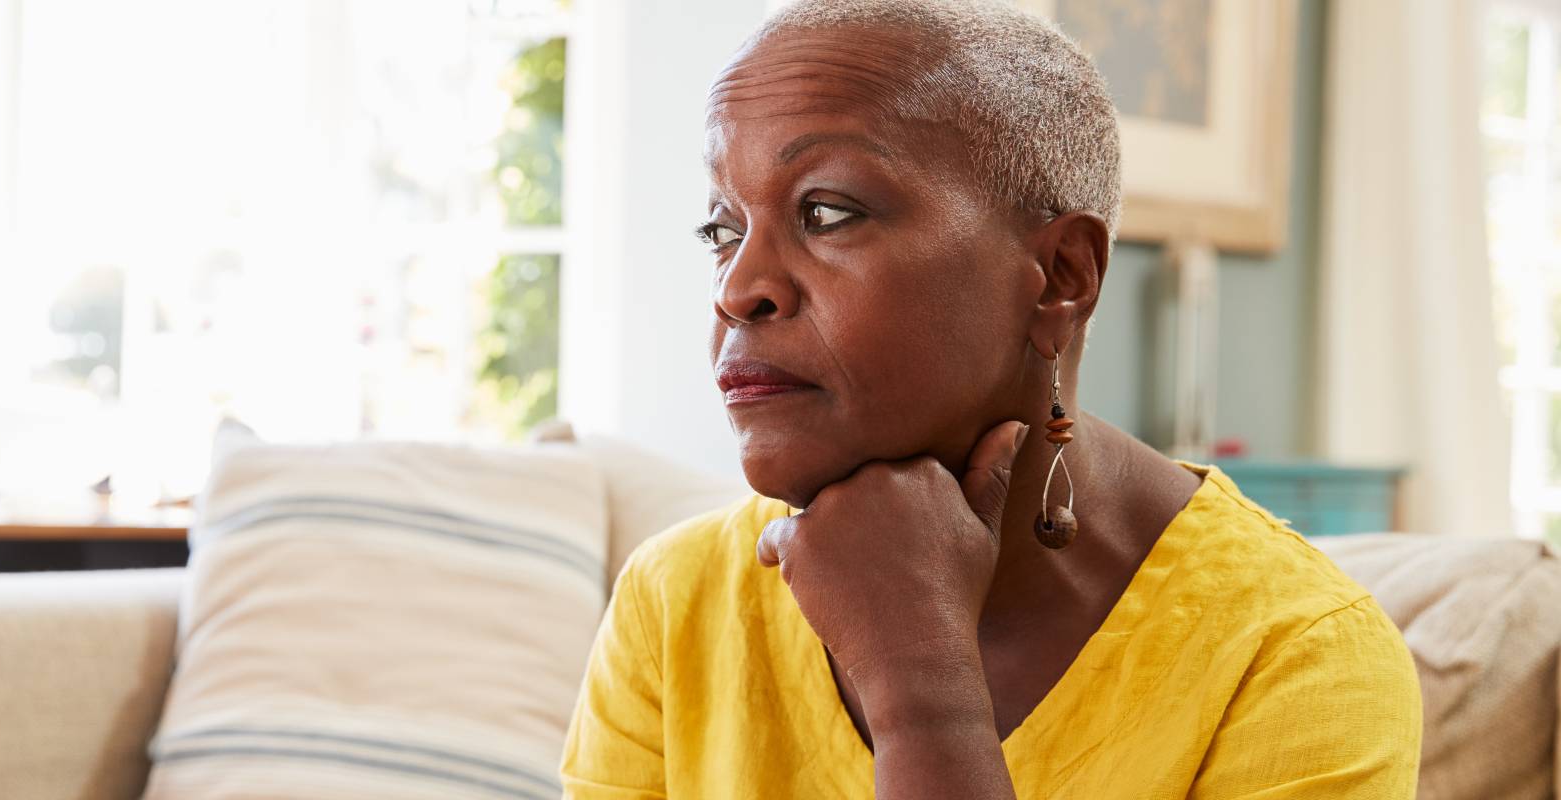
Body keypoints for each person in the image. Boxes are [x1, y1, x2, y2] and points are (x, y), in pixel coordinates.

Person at [560, 0, 1422, 797]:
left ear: (1060, 276)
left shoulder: (1297, 659)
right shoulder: (675, 602)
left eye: (825, 212)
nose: (738, 287)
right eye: (723, 228)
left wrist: (921, 698)